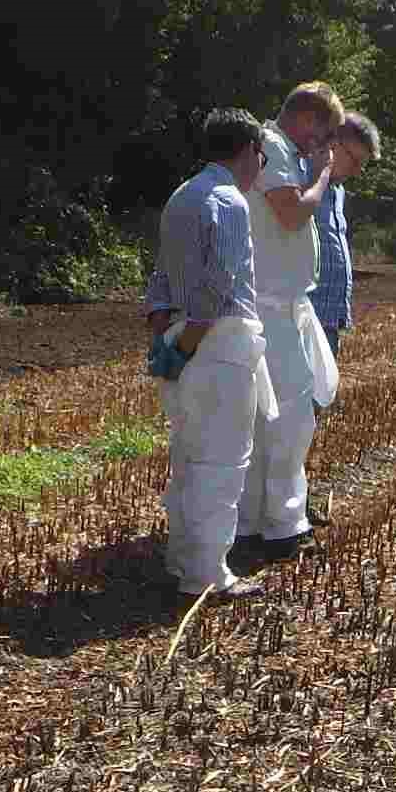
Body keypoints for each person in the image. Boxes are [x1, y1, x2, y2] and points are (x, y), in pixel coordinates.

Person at [144, 109, 274, 602]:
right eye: (261, 156)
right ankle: (207, 574)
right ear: (248, 151)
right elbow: (220, 288)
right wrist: (191, 342)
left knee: (189, 456)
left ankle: (182, 558)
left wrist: (164, 338)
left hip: (179, 333)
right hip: (218, 342)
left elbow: (160, 276)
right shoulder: (229, 201)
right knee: (223, 462)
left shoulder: (183, 195)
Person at [234, 82, 345, 570]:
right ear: (307, 120)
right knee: (290, 415)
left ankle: (259, 520)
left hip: (282, 303)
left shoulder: (279, 150)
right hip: (271, 306)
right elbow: (292, 213)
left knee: (274, 417)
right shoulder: (275, 146)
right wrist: (322, 175)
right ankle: (280, 526)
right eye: (323, 133)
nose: (321, 145)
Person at [311, 111, 379, 362]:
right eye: (355, 160)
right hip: (306, 320)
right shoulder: (303, 179)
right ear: (334, 143)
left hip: (329, 319)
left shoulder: (337, 191)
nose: (358, 171)